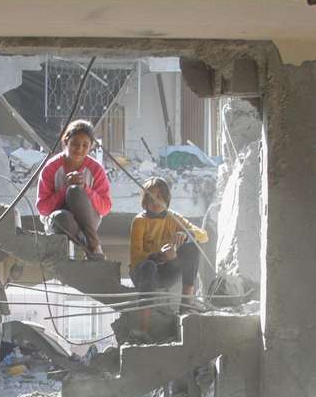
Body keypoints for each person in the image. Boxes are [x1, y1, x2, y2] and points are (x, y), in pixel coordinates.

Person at [129, 177, 209, 315]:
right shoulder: (140, 221)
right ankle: (145, 322)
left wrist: (185, 234)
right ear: (145, 201)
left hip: (167, 274)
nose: (155, 201)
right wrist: (159, 256)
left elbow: (203, 236)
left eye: (159, 197)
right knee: (149, 265)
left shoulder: (173, 218)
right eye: (151, 198)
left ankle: (186, 304)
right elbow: (136, 258)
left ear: (166, 198)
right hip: (144, 273)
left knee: (191, 246)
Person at [36, 119, 112, 259]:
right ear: (66, 142)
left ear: (91, 147)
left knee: (75, 191)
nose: (79, 149)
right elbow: (42, 208)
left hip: (88, 224)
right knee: (62, 216)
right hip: (60, 223)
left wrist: (85, 189)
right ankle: (89, 248)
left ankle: (93, 244)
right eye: (75, 144)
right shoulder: (51, 168)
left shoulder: (96, 169)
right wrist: (64, 189)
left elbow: (105, 207)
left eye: (85, 145)